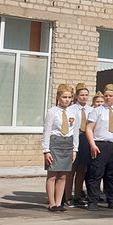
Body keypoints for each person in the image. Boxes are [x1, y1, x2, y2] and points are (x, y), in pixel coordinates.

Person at [84, 84, 113, 210]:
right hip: (100, 145)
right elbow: (89, 128)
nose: (108, 98)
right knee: (95, 173)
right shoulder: (97, 111)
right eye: (106, 96)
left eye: (111, 95)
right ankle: (93, 200)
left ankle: (112, 199)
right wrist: (92, 144)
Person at [43, 84, 79, 212]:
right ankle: (52, 203)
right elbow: (47, 131)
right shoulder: (52, 111)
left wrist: (75, 149)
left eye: (69, 97)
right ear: (58, 97)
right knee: (52, 175)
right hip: (55, 143)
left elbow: (75, 132)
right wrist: (46, 150)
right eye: (64, 97)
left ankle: (59, 203)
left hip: (68, 144)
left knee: (63, 175)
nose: (67, 100)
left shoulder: (74, 112)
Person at [67, 83, 92, 207]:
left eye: (86, 95)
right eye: (81, 95)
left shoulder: (91, 110)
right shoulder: (70, 109)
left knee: (82, 170)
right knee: (71, 170)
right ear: (76, 96)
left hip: (86, 140)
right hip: (73, 139)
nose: (84, 97)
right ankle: (67, 196)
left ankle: (78, 195)